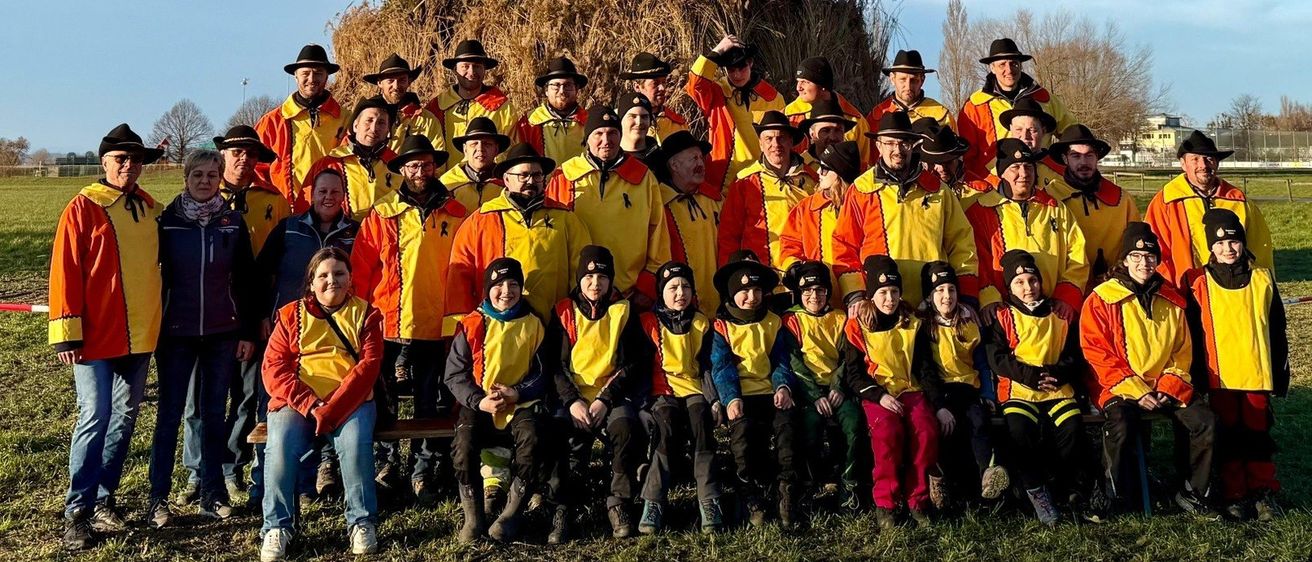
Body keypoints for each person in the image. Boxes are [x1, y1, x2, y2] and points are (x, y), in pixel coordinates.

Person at [50, 124, 164, 551]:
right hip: (95, 337)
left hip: (140, 336)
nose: (129, 167)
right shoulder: (82, 208)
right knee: (94, 417)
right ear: (104, 162)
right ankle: (76, 511)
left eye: (135, 160)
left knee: (124, 418)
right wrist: (66, 332)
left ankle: (104, 499)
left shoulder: (150, 208)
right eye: (121, 159)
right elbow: (65, 269)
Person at [351, 134, 471, 498]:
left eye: (427, 164)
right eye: (413, 165)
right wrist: (361, 318)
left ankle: (423, 468)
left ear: (436, 167)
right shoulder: (383, 213)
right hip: (390, 323)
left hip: (438, 325)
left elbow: (466, 266)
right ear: (402, 169)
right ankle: (388, 465)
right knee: (385, 401)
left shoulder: (456, 212)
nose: (420, 171)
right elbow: (361, 270)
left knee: (428, 402)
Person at [148, 150, 259, 528]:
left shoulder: (232, 222)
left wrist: (245, 330)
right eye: (198, 174)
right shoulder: (166, 222)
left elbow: (246, 280)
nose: (206, 181)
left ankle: (213, 493)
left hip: (220, 333)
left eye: (213, 174)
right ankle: (157, 499)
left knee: (214, 414)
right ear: (185, 178)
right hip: (175, 335)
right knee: (170, 415)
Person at [180, 126, 290, 507]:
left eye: (250, 153)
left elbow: (279, 265)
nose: (243, 159)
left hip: (253, 311)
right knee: (198, 400)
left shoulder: (274, 201)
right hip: (205, 313)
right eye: (236, 152)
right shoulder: (203, 193)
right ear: (222, 155)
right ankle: (197, 473)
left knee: (245, 398)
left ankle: (230, 468)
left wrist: (265, 313)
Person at [1080, 223, 1216, 517]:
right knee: (1122, 423)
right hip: (1117, 385)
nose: (1145, 263)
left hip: (1165, 386)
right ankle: (1110, 495)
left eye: (1151, 256)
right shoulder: (1101, 299)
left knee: (1203, 420)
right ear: (1125, 260)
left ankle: (1192, 491)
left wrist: (1168, 387)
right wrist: (1137, 390)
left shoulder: (1172, 299)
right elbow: (1097, 353)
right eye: (1137, 256)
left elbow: (1182, 351)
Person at [259, 248, 383, 561]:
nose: (332, 281)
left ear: (350, 278)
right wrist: (311, 404)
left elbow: (369, 366)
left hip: (350, 400)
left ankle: (361, 521)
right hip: (298, 401)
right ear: (311, 283)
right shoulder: (290, 315)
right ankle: (277, 526)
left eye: (339, 273)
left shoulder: (367, 313)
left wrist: (332, 409)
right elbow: (273, 366)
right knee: (279, 446)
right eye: (323, 275)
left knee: (355, 446)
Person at [254, 169, 361, 504]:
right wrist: (261, 317)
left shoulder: (354, 232)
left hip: (337, 339)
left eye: (335, 191)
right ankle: (266, 484)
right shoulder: (289, 227)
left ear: (344, 194)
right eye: (322, 191)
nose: (328, 197)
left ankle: (314, 480)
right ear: (311, 194)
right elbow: (261, 273)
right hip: (287, 336)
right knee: (277, 409)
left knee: (326, 406)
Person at [1183, 209, 1289, 521]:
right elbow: (1190, 332)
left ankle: (1262, 489)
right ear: (1210, 248)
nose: (1228, 249)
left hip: (1256, 374)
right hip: (1220, 379)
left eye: (1234, 241)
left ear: (1242, 243)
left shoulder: (1262, 278)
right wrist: (1197, 377)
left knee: (1257, 434)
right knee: (1229, 435)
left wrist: (1281, 373)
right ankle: (1234, 492)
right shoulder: (1198, 283)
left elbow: (1277, 328)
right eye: (1220, 244)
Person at [444, 257, 551, 543]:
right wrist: (479, 401)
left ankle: (511, 514)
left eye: (513, 284)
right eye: (498, 284)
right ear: (487, 289)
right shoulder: (472, 323)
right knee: (463, 446)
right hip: (478, 404)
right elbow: (455, 375)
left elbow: (542, 372)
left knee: (532, 441)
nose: (506, 291)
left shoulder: (533, 323)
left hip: (520, 403)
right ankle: (474, 516)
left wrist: (518, 392)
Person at [546, 246, 649, 542]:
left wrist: (605, 399)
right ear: (580, 278)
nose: (595, 284)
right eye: (589, 276)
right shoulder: (563, 310)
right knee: (555, 433)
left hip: (610, 396)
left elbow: (632, 362)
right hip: (573, 398)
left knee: (625, 429)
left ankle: (618, 502)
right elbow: (553, 364)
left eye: (602, 277)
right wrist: (573, 401)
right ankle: (561, 506)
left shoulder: (623, 310)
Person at [831, 112, 978, 308]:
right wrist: (855, 295)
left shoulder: (938, 190)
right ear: (878, 146)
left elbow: (962, 243)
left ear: (913, 145)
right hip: (881, 305)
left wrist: (967, 297)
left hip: (934, 304)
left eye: (904, 143)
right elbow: (844, 245)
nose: (897, 150)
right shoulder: (861, 189)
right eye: (890, 143)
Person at [984, 250, 1088, 526]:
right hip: (1020, 389)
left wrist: (1057, 373)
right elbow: (997, 358)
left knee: (1072, 427)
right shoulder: (1003, 315)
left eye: (1032, 280)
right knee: (1019, 431)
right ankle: (1035, 490)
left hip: (1056, 387)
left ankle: (1063, 485)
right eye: (1019, 283)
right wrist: (1030, 376)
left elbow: (1075, 354)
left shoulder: (1059, 313)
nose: (1028, 288)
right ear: (1009, 287)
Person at [841, 256, 942, 528]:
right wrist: (879, 396)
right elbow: (854, 374)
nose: (889, 299)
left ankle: (918, 499)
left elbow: (924, 366)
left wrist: (938, 404)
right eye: (883, 293)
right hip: (878, 392)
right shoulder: (857, 326)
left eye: (894, 291)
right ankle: (886, 502)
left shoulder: (912, 321)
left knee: (926, 431)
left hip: (911, 389)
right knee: (887, 434)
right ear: (871, 295)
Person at [448, 143, 592, 319]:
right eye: (523, 175)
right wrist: (462, 324)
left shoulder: (565, 218)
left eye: (537, 175)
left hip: (553, 326)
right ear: (506, 179)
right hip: (495, 330)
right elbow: (459, 275)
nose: (531, 181)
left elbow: (582, 271)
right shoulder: (481, 220)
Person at [547, 106, 671, 308]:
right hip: (577, 294)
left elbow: (659, 237)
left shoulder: (644, 177)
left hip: (629, 295)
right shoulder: (565, 176)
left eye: (613, 133)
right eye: (599, 134)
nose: (607, 140)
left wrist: (646, 288)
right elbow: (552, 237)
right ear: (587, 138)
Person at [710, 257, 801, 528]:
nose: (752, 297)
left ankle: (786, 490)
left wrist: (783, 386)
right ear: (731, 294)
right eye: (745, 291)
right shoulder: (721, 327)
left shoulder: (773, 322)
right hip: (740, 395)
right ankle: (749, 494)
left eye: (757, 291)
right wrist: (730, 398)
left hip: (770, 391)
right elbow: (721, 365)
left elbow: (781, 360)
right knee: (743, 439)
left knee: (786, 431)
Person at [635, 262, 725, 534]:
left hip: (694, 388)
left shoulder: (700, 322)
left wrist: (715, 399)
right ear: (661, 292)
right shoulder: (647, 322)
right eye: (672, 287)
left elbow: (707, 365)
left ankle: (709, 498)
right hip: (661, 390)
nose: (680, 293)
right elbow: (639, 368)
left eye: (685, 286)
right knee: (667, 424)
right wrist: (641, 406)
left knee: (701, 420)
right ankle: (653, 500)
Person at [916, 261, 1008, 508]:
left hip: (968, 388)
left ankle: (989, 480)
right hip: (941, 391)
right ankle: (948, 487)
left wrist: (988, 394)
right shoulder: (923, 326)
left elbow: (982, 362)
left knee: (979, 422)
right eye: (939, 291)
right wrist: (938, 404)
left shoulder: (969, 320)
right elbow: (925, 369)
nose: (947, 296)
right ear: (929, 295)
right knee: (947, 428)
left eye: (951, 290)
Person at [965, 138, 1088, 314]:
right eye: (1015, 167)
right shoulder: (981, 211)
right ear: (1001, 173)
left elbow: (1077, 255)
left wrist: (1066, 296)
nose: (1024, 174)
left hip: (1054, 312)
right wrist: (988, 297)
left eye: (1028, 167)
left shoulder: (1056, 208)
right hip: (1003, 313)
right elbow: (975, 261)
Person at [781, 261, 864, 511]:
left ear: (827, 292)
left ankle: (849, 483)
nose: (813, 296)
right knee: (809, 427)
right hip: (808, 392)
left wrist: (837, 388)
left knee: (854, 423)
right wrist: (816, 395)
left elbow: (847, 357)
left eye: (819, 290)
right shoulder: (791, 320)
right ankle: (809, 484)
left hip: (838, 389)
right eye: (807, 291)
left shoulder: (840, 318)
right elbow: (794, 362)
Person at [1145, 130, 1275, 288]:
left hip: (1233, 292)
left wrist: (1259, 285)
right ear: (1183, 164)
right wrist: (1170, 291)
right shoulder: (1166, 202)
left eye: (1209, 159)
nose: (1203, 165)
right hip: (1185, 292)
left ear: (1217, 163)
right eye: (1195, 159)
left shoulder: (1238, 200)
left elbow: (1259, 249)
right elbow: (1157, 254)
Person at [958, 38, 1076, 183]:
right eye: (1002, 64)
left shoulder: (1045, 99)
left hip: (1043, 184)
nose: (1009, 70)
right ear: (992, 68)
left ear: (1020, 65)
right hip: (993, 188)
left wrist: (1060, 163)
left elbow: (1072, 134)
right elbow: (966, 156)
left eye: (1014, 63)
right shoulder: (975, 106)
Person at [717, 110, 817, 280]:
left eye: (781, 138)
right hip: (759, 279)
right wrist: (731, 279)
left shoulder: (812, 179)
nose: (775, 144)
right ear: (760, 143)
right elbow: (729, 236)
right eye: (769, 139)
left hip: (803, 278)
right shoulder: (745, 181)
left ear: (791, 141)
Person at [1043, 124, 1141, 285]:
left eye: (1089, 155)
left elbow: (1135, 243)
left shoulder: (1122, 199)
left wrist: (1119, 272)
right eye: (1075, 156)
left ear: (1097, 157)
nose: (1084, 162)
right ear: (1065, 158)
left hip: (1114, 287)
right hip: (1065, 288)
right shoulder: (1050, 197)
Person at [687, 34, 785, 193]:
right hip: (721, 181)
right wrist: (717, 51)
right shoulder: (716, 92)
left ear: (751, 63)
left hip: (762, 179)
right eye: (731, 69)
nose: (737, 75)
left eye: (742, 68)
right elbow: (694, 85)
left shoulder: (773, 97)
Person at [256, 44, 348, 210]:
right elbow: (257, 168)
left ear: (327, 76)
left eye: (318, 73)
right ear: (296, 76)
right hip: (285, 211)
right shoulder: (272, 122)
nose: (312, 79)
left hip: (333, 210)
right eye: (305, 73)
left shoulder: (346, 119)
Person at [780, 141, 861, 309]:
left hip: (858, 298)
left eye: (825, 169)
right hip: (817, 298)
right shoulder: (806, 208)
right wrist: (795, 268)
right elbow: (789, 244)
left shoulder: (862, 206)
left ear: (840, 174)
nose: (819, 172)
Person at [652, 131, 723, 316]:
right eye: (693, 159)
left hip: (718, 303)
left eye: (701, 158)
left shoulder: (715, 200)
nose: (701, 164)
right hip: (678, 306)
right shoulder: (657, 203)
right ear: (674, 165)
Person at [302, 96, 397, 220]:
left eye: (381, 123)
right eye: (369, 120)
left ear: (388, 130)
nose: (374, 129)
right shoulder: (328, 165)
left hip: (384, 237)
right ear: (356, 125)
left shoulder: (399, 167)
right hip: (337, 237)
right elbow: (303, 211)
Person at [426, 39, 518, 154]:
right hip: (448, 172)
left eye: (477, 66)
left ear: (484, 69)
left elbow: (510, 149)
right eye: (465, 66)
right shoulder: (437, 107)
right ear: (455, 70)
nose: (472, 72)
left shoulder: (502, 108)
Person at [783, 56, 872, 165]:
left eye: (805, 82)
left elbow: (863, 168)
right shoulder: (786, 117)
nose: (798, 87)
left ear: (823, 86)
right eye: (798, 81)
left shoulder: (856, 121)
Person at [363, 53, 445, 159]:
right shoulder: (365, 117)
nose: (396, 86)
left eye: (402, 80)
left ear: (409, 82)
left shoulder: (426, 120)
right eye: (390, 81)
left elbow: (437, 159)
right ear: (379, 83)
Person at [514, 56, 589, 164]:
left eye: (568, 85)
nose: (562, 91)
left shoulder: (589, 122)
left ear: (577, 89)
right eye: (556, 85)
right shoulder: (529, 123)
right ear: (546, 90)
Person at [867, 50, 954, 134]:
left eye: (913, 80)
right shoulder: (877, 116)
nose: (908, 86)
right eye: (903, 79)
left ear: (922, 80)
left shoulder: (942, 116)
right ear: (892, 79)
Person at [440, 116, 509, 213]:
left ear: (496, 149)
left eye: (487, 144)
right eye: (474, 144)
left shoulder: (508, 184)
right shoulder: (446, 185)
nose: (480, 149)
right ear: (465, 149)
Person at [620, 51, 689, 141]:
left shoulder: (678, 125)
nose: (662, 88)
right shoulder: (620, 122)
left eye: (663, 82)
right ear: (637, 87)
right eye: (655, 83)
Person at [914, 118, 983, 206]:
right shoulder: (914, 192)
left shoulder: (978, 192)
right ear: (924, 163)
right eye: (933, 163)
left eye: (948, 162)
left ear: (958, 158)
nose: (942, 168)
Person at [796, 97, 857, 163]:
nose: (832, 137)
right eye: (825, 130)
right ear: (812, 134)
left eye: (838, 130)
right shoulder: (800, 167)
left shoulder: (858, 168)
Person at [617, 93, 661, 164]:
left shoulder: (661, 158)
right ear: (620, 120)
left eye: (644, 117)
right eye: (632, 116)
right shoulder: (611, 159)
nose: (639, 122)